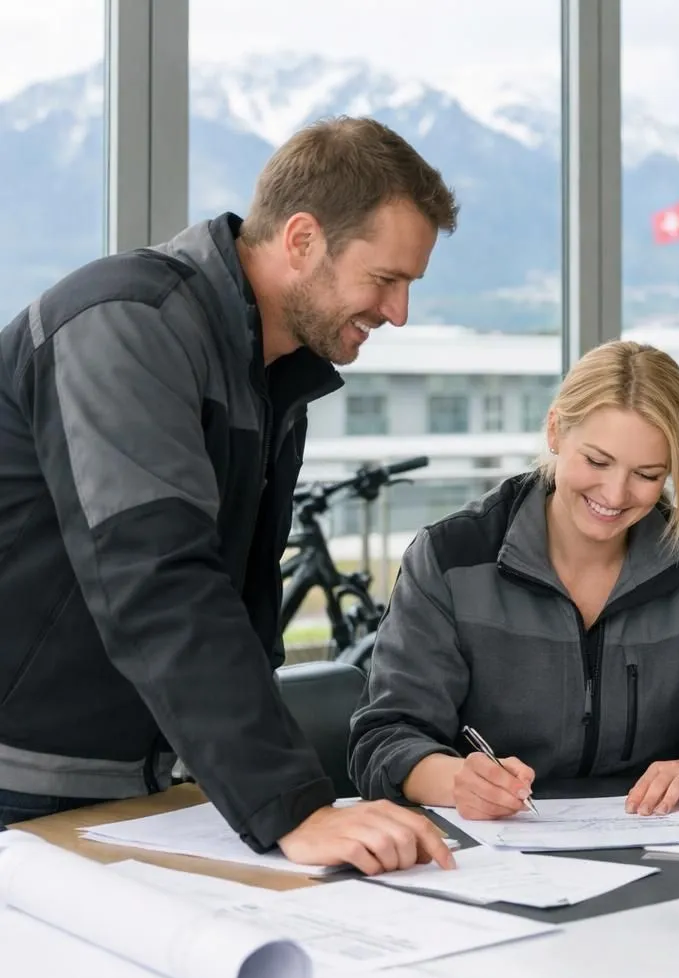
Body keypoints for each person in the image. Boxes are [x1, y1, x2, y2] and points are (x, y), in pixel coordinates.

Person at [0, 115, 461, 875]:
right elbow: (158, 580)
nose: (399, 312)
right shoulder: (127, 325)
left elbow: (239, 608)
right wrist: (292, 803)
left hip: (134, 785)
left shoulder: (271, 373)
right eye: (386, 279)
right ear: (303, 238)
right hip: (23, 780)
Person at [348, 340, 679, 818]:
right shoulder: (450, 558)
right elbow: (384, 737)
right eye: (596, 461)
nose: (615, 495)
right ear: (555, 430)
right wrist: (457, 782)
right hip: (489, 852)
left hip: (654, 846)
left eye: (648, 474)